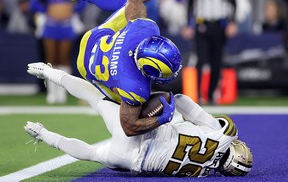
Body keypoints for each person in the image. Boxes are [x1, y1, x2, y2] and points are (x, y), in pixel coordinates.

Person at [25, 62, 253, 177]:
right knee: (94, 154)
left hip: (144, 132)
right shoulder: (201, 173)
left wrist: (162, 103)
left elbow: (182, 100)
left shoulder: (222, 134)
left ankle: (48, 72)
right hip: (132, 160)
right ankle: (43, 135)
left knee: (96, 99)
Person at [57, 0, 193, 136]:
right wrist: (160, 120)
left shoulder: (143, 29)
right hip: (86, 70)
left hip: (92, 41)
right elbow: (129, 128)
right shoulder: (136, 86)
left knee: (127, 3)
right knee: (141, 105)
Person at [30, 0, 85, 104]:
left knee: (64, 58)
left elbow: (83, 0)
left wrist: (73, 9)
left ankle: (62, 92)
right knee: (51, 58)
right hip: (50, 25)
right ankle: (51, 93)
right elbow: (34, 2)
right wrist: (46, 10)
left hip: (67, 25)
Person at [186, 0, 238, 104]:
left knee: (217, 62)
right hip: (202, 24)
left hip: (219, 25)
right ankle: (196, 96)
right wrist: (188, 25)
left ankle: (210, 95)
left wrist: (232, 22)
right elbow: (190, 5)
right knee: (200, 60)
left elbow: (233, 3)